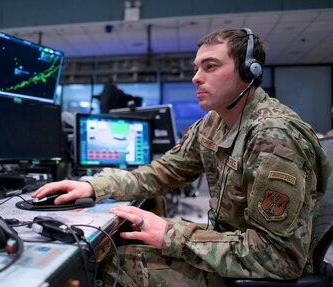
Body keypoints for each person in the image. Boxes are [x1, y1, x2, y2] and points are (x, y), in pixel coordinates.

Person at [32, 28, 331, 286]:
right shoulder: (213, 124)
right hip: (230, 255)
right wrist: (93, 186)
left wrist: (172, 234)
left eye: (210, 66)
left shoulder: (273, 136)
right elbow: (162, 172)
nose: (195, 78)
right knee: (109, 247)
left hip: (256, 275)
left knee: (103, 264)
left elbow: (278, 258)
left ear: (247, 73)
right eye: (197, 67)